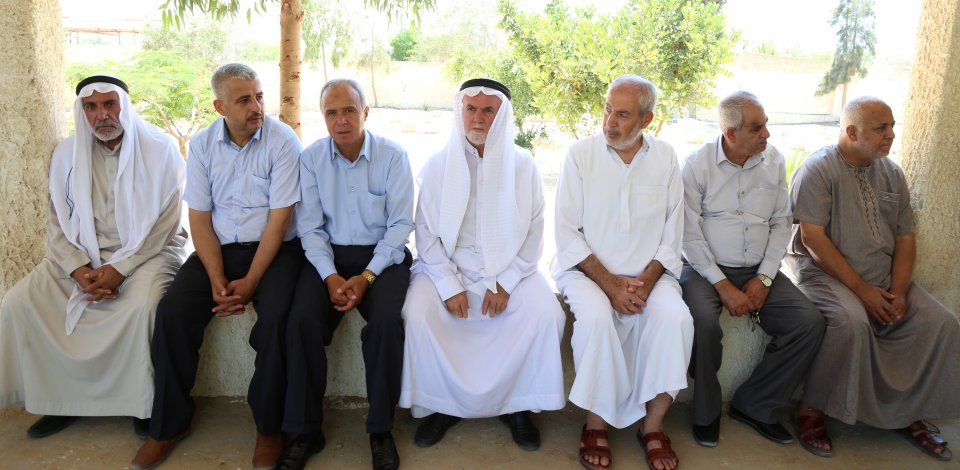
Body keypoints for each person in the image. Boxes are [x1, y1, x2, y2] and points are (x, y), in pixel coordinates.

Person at [131, 63, 304, 470]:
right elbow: (200, 217)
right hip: (219, 249)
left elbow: (279, 220)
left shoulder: (283, 140)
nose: (256, 106)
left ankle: (269, 429)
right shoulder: (204, 144)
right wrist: (215, 278)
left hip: (275, 251)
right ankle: (168, 425)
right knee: (172, 313)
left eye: (259, 96)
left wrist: (251, 281)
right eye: (244, 100)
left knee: (277, 320)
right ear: (220, 106)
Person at [0, 75, 185, 440]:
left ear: (124, 107)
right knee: (19, 301)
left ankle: (139, 405)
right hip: (81, 254)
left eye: (109, 104)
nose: (102, 115)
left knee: (143, 307)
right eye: (91, 107)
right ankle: (60, 402)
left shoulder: (160, 149)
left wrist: (121, 268)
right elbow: (57, 221)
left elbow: (167, 223)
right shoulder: (67, 154)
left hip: (147, 253)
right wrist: (76, 268)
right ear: (82, 111)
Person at [784, 96, 960, 460]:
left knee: (941, 322)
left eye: (892, 126)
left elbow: (905, 238)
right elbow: (813, 239)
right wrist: (863, 291)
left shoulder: (892, 173)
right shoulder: (818, 169)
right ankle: (811, 409)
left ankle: (907, 412)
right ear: (851, 132)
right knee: (851, 322)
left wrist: (899, 292)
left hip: (881, 276)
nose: (891, 135)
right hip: (821, 273)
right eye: (881, 128)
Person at [399, 78, 565, 452]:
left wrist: (505, 282)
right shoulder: (439, 165)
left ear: (502, 116)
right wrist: (448, 284)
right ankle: (442, 407)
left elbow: (535, 232)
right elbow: (425, 234)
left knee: (546, 315)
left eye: (488, 110)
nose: (478, 118)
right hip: (446, 269)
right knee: (417, 314)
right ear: (460, 112)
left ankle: (517, 407)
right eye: (471, 109)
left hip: (510, 271)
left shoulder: (523, 166)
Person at [552, 75, 692, 470]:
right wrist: (611, 285)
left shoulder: (665, 157)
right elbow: (567, 232)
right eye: (607, 109)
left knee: (676, 319)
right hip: (586, 272)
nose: (609, 121)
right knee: (597, 319)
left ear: (647, 120)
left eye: (623, 115)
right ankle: (594, 423)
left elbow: (673, 231)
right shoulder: (581, 155)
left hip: (650, 276)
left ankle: (653, 426)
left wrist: (646, 281)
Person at [280, 78, 414, 470]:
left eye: (349, 111)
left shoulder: (392, 156)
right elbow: (310, 228)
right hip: (328, 257)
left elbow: (400, 226)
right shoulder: (311, 159)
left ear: (365, 113)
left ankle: (380, 431)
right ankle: (306, 431)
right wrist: (330, 276)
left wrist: (367, 277)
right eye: (332, 113)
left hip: (383, 258)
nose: (341, 120)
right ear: (323, 118)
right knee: (301, 321)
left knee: (387, 324)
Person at [680, 91, 824, 448]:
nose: (767, 134)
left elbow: (781, 222)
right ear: (731, 133)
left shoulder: (773, 160)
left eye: (766, 125)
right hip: (704, 268)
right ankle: (706, 413)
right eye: (757, 128)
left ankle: (755, 405)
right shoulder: (697, 165)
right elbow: (688, 234)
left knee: (808, 323)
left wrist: (764, 276)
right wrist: (722, 285)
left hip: (758, 268)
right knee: (702, 323)